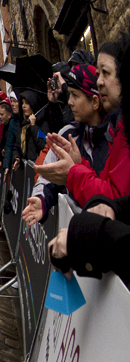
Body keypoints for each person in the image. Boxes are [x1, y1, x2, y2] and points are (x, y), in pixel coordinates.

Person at [41, 38, 129, 207]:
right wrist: (79, 164)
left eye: (105, 73)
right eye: (98, 74)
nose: (99, 82)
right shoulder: (118, 126)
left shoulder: (118, 130)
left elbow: (114, 200)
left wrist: (73, 171)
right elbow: (105, 183)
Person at [24, 64, 109, 226]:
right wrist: (42, 199)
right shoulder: (67, 134)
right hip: (75, 234)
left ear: (95, 102)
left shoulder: (114, 137)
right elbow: (49, 175)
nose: (69, 102)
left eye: (75, 96)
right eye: (69, 95)